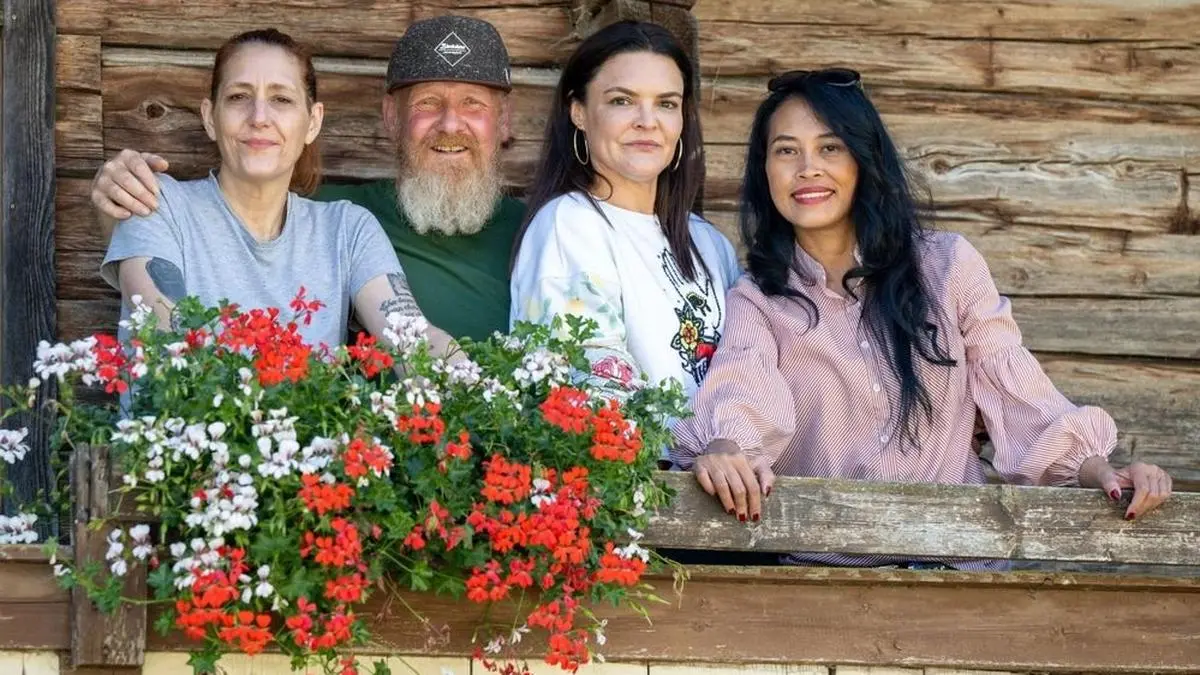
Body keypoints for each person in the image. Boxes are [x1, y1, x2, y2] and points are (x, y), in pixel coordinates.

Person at [670, 68, 1173, 568]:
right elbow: (744, 388)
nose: (807, 168)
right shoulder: (759, 298)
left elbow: (1016, 390)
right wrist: (725, 447)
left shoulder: (948, 266)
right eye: (785, 150)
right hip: (824, 585)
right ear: (764, 171)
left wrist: (1097, 470)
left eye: (830, 147)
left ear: (864, 159)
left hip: (958, 574)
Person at [90, 15, 522, 342]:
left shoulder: (346, 228)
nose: (260, 118)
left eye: (281, 99)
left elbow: (412, 339)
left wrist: (493, 404)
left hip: (312, 460)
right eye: (239, 97)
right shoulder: (152, 200)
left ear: (312, 122)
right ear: (209, 116)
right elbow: (165, 342)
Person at [509, 21, 740, 411]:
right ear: (578, 111)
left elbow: (748, 368)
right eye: (622, 101)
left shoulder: (709, 242)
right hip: (641, 468)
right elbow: (593, 384)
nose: (647, 121)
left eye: (666, 104)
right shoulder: (570, 225)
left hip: (718, 465)